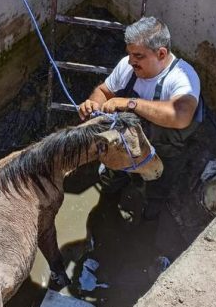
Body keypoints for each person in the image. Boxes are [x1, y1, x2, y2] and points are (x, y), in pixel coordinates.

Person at [78, 16, 203, 220]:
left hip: (161, 154)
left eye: (137, 56)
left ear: (161, 53)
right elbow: (103, 90)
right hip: (123, 146)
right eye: (129, 54)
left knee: (155, 194)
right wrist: (93, 104)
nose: (130, 61)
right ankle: (108, 199)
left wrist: (130, 103)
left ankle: (148, 221)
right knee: (110, 179)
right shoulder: (128, 67)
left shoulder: (182, 77)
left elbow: (181, 116)